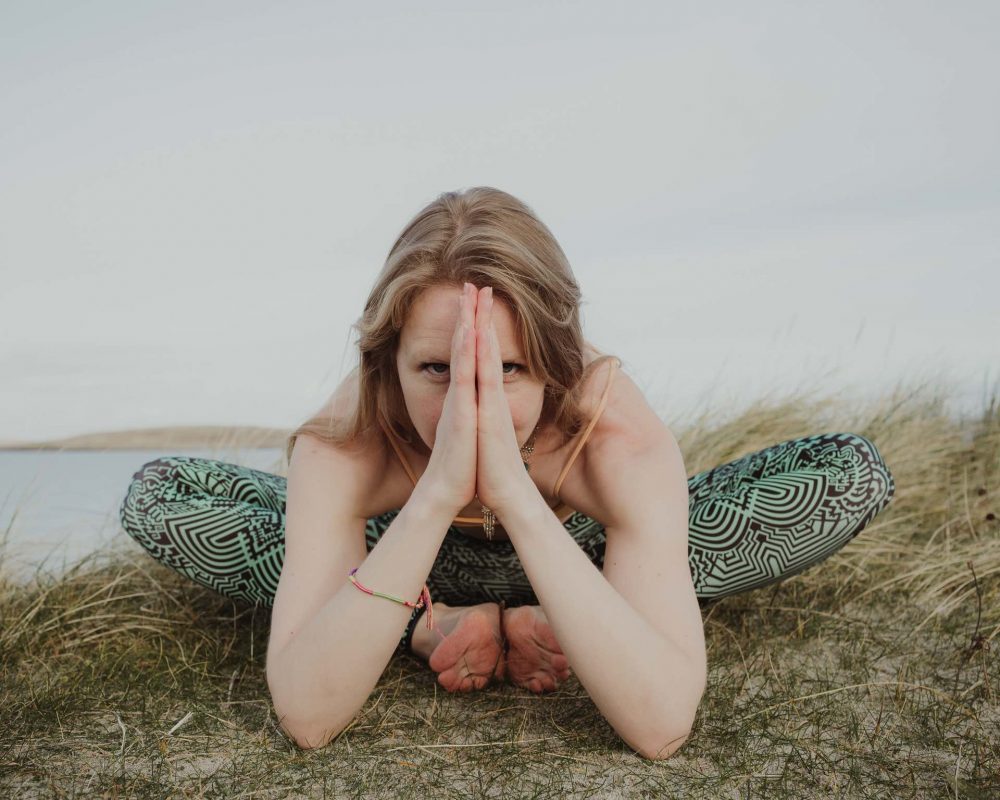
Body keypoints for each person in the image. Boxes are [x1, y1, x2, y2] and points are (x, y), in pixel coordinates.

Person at [119, 186, 896, 759]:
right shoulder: (346, 440)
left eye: (510, 369)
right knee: (160, 496)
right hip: (400, 558)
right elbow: (307, 715)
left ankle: (570, 615)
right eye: (436, 368)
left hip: (582, 556)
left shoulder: (611, 433)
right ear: (386, 362)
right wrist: (435, 493)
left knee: (848, 472)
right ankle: (429, 622)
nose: (472, 401)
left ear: (558, 363)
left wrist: (519, 495)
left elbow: (662, 727)